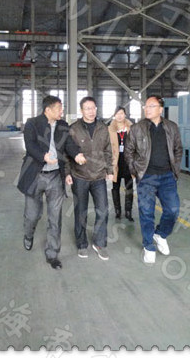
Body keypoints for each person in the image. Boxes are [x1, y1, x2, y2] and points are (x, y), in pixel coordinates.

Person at [17, 95, 86, 270]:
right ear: (48, 110)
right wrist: (43, 156)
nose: (61, 111)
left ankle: (52, 254)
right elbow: (30, 145)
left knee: (55, 218)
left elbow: (69, 144)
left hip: (55, 177)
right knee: (32, 215)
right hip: (35, 176)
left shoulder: (63, 125)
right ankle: (28, 234)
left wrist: (77, 154)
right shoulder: (32, 124)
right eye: (58, 108)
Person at [125, 96, 183, 264]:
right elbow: (129, 151)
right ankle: (149, 246)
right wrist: (134, 170)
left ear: (160, 109)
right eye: (146, 106)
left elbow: (178, 149)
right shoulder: (137, 128)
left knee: (173, 210)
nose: (147, 109)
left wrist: (175, 168)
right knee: (146, 212)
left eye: (151, 106)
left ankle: (160, 234)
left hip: (167, 177)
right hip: (146, 177)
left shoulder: (171, 127)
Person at [66, 96, 113, 261]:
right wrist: (67, 173)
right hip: (80, 176)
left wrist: (110, 170)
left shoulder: (103, 128)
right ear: (81, 110)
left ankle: (99, 243)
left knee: (103, 210)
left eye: (93, 108)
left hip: (99, 176)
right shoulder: (74, 129)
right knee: (81, 211)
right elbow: (66, 153)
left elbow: (108, 150)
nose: (91, 111)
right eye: (87, 108)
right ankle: (82, 244)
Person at [108, 106, 134, 222]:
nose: (119, 116)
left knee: (129, 187)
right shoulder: (110, 130)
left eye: (122, 113)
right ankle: (117, 211)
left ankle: (128, 211)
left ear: (125, 115)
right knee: (115, 187)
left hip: (128, 162)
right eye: (117, 113)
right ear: (114, 115)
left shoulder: (131, 128)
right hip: (115, 162)